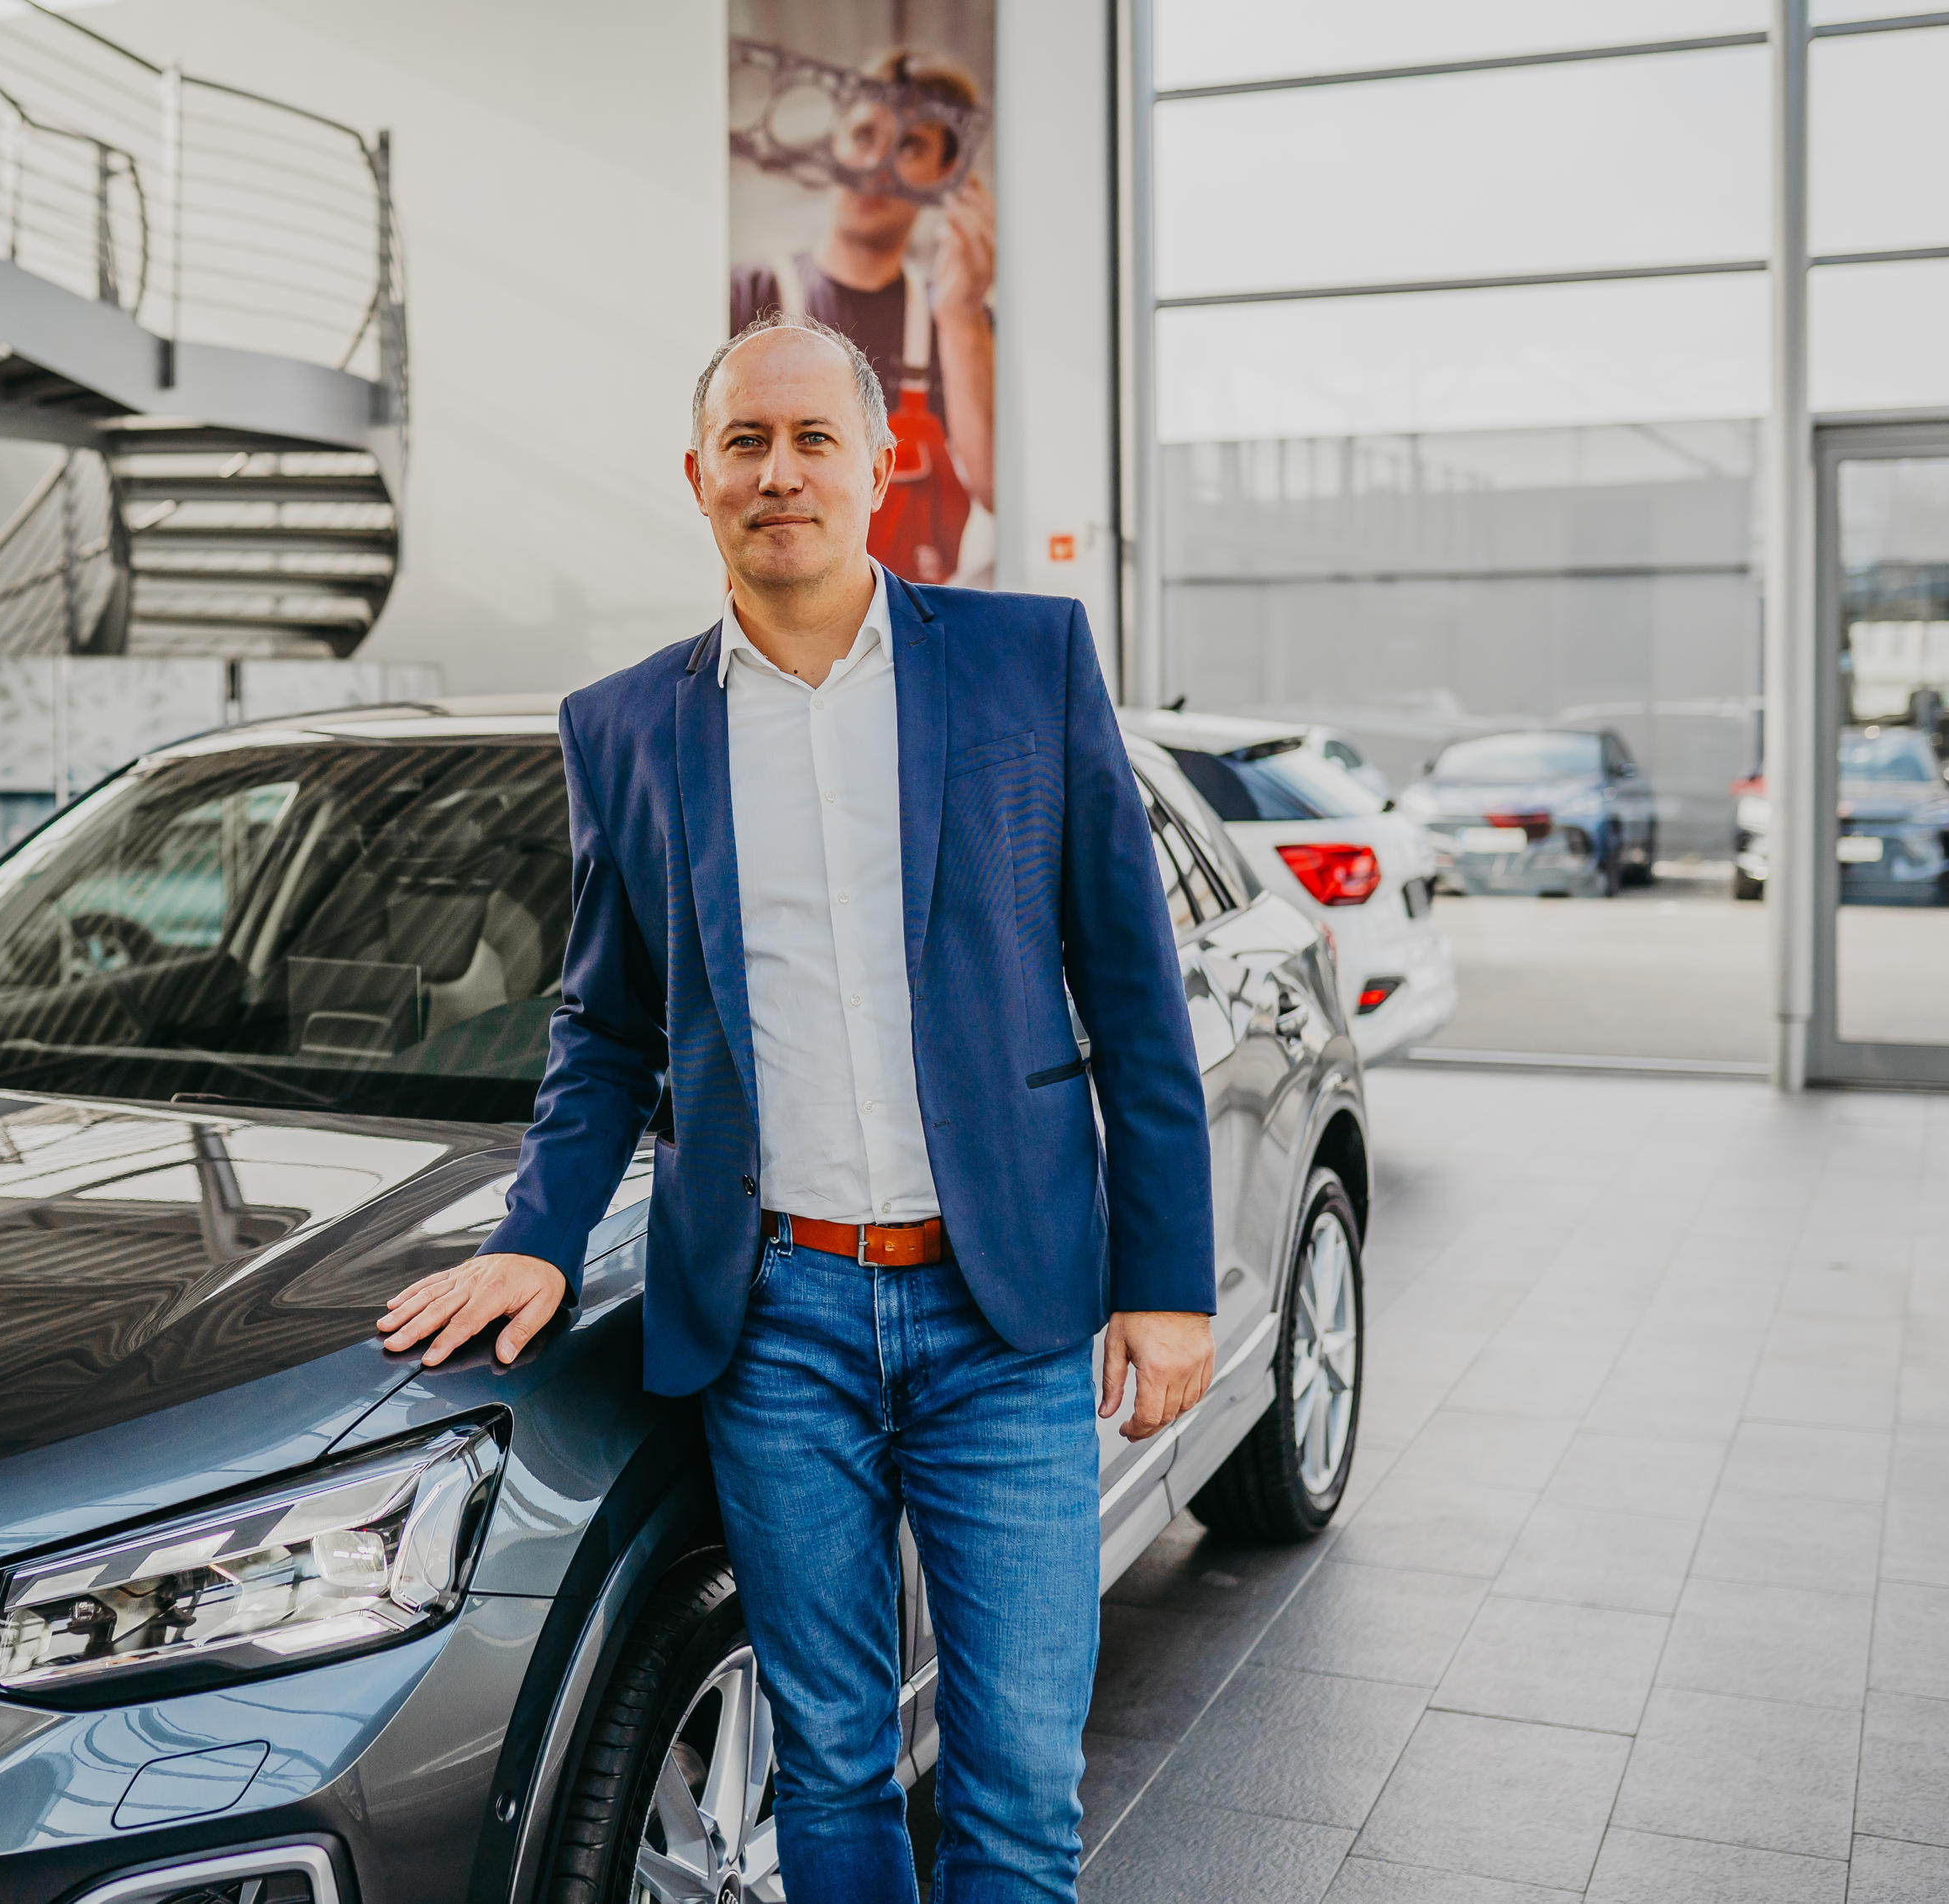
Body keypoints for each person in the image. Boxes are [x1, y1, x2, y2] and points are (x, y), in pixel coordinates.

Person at [377, 317, 1216, 1902]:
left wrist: (1165, 1279)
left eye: (815, 439)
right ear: (697, 476)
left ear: (882, 466)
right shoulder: (625, 724)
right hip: (777, 1325)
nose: (781, 473)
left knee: (1017, 1782)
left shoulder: (1026, 662)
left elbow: (1131, 990)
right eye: (747, 444)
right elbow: (604, 1028)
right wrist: (537, 1236)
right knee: (829, 1759)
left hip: (1008, 1313)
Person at [732, 47, 996, 585]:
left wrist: (962, 317)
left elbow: (998, 489)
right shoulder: (746, 296)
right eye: (863, 135)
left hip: (909, 625)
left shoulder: (958, 320)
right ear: (835, 143)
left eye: (909, 146)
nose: (876, 166)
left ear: (945, 175)